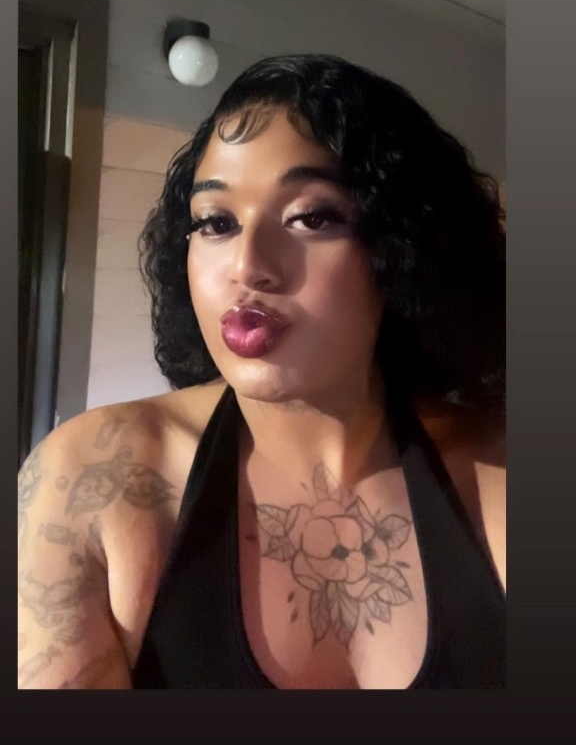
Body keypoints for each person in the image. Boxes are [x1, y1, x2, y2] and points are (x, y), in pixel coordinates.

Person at [18, 54, 505, 689]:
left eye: (312, 217)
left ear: (404, 247)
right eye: (216, 222)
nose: (248, 266)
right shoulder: (94, 476)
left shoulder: (502, 471)